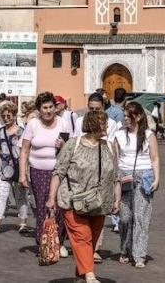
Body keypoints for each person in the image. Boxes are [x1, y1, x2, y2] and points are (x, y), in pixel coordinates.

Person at [48, 111, 120, 283]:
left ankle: (81, 275)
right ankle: (89, 275)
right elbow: (58, 172)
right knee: (82, 237)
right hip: (73, 200)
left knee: (91, 240)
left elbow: (116, 176)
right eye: (103, 123)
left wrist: (116, 199)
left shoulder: (109, 146)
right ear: (93, 124)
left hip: (100, 202)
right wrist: (51, 198)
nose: (107, 126)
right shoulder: (73, 145)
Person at [19, 92, 68, 255]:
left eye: (51, 107)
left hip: (60, 171)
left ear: (55, 107)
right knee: (42, 206)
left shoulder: (63, 122)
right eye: (44, 108)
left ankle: (58, 241)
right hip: (38, 171)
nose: (48, 111)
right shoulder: (33, 124)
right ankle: (43, 241)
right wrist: (22, 174)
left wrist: (64, 144)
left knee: (60, 206)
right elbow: (24, 150)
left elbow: (72, 146)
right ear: (39, 109)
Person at [73, 92, 122, 252]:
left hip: (102, 167)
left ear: (103, 108)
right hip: (83, 170)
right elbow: (76, 142)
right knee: (82, 208)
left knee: (99, 209)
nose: (94, 112)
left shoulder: (111, 123)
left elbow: (112, 146)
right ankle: (85, 245)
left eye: (98, 109)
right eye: (91, 108)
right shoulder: (80, 121)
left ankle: (95, 248)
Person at [115, 101, 160, 269]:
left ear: (139, 116)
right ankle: (125, 248)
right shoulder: (119, 135)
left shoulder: (149, 135)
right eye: (124, 116)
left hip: (144, 176)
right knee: (125, 217)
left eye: (129, 116)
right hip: (124, 177)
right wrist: (115, 182)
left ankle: (139, 254)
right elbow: (115, 159)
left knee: (142, 217)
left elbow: (155, 158)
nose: (125, 119)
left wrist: (156, 178)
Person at [0, 102, 29, 233]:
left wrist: (26, 170)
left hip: (19, 168)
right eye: (3, 116)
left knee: (21, 196)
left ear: (14, 115)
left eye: (8, 115)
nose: (6, 118)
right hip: (4, 168)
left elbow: (27, 151)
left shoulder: (22, 132)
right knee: (1, 195)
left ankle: (23, 223)